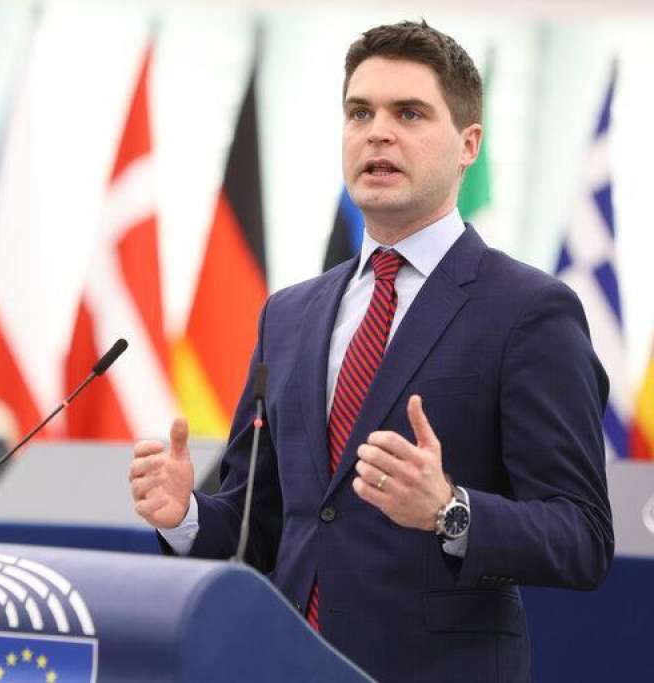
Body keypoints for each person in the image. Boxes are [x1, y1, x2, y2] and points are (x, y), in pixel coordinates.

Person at [129, 20, 613, 683]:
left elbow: (582, 537)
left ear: (469, 144)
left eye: (408, 113)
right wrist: (186, 513)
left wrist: (449, 508)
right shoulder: (288, 314)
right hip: (287, 664)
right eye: (360, 112)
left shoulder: (529, 310)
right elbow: (260, 524)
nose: (377, 132)